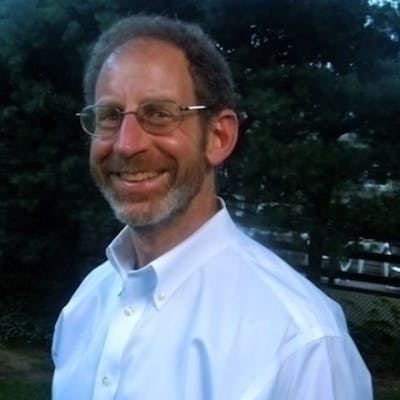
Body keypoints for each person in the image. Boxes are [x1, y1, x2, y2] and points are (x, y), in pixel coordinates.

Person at [52, 14, 372, 400]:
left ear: (218, 136)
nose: (126, 144)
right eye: (109, 116)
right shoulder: (85, 304)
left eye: (159, 114)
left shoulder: (301, 342)